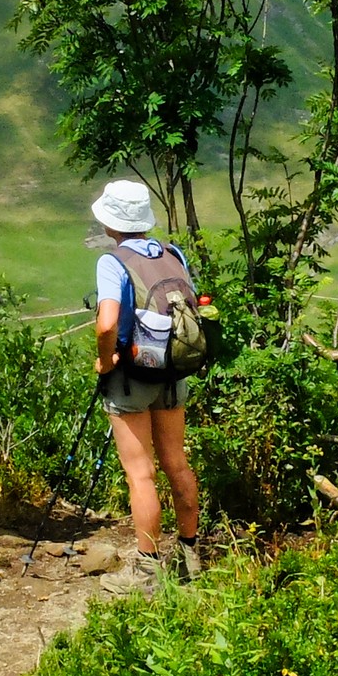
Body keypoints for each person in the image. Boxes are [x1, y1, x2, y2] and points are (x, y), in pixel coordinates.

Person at [89, 179, 202, 578]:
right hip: (173, 372)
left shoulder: (112, 261)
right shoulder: (174, 254)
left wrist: (105, 361)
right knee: (177, 462)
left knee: (141, 473)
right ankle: (190, 555)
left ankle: (147, 570)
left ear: (110, 222)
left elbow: (106, 326)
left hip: (131, 375)